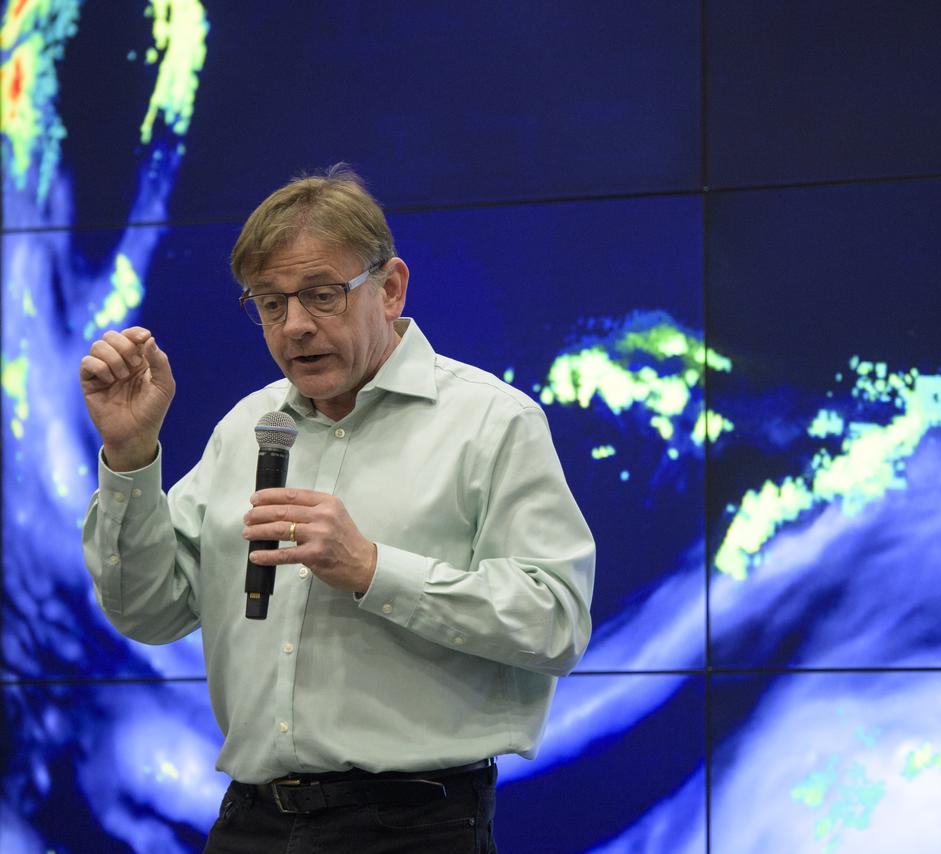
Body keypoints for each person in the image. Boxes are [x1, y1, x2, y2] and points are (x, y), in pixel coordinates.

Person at [79, 165, 595, 853]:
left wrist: (373, 569)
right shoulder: (247, 428)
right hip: (252, 821)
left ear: (390, 288)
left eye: (322, 295)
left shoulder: (492, 423)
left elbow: (555, 622)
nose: (295, 326)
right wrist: (129, 456)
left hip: (414, 826)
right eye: (270, 304)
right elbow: (148, 612)